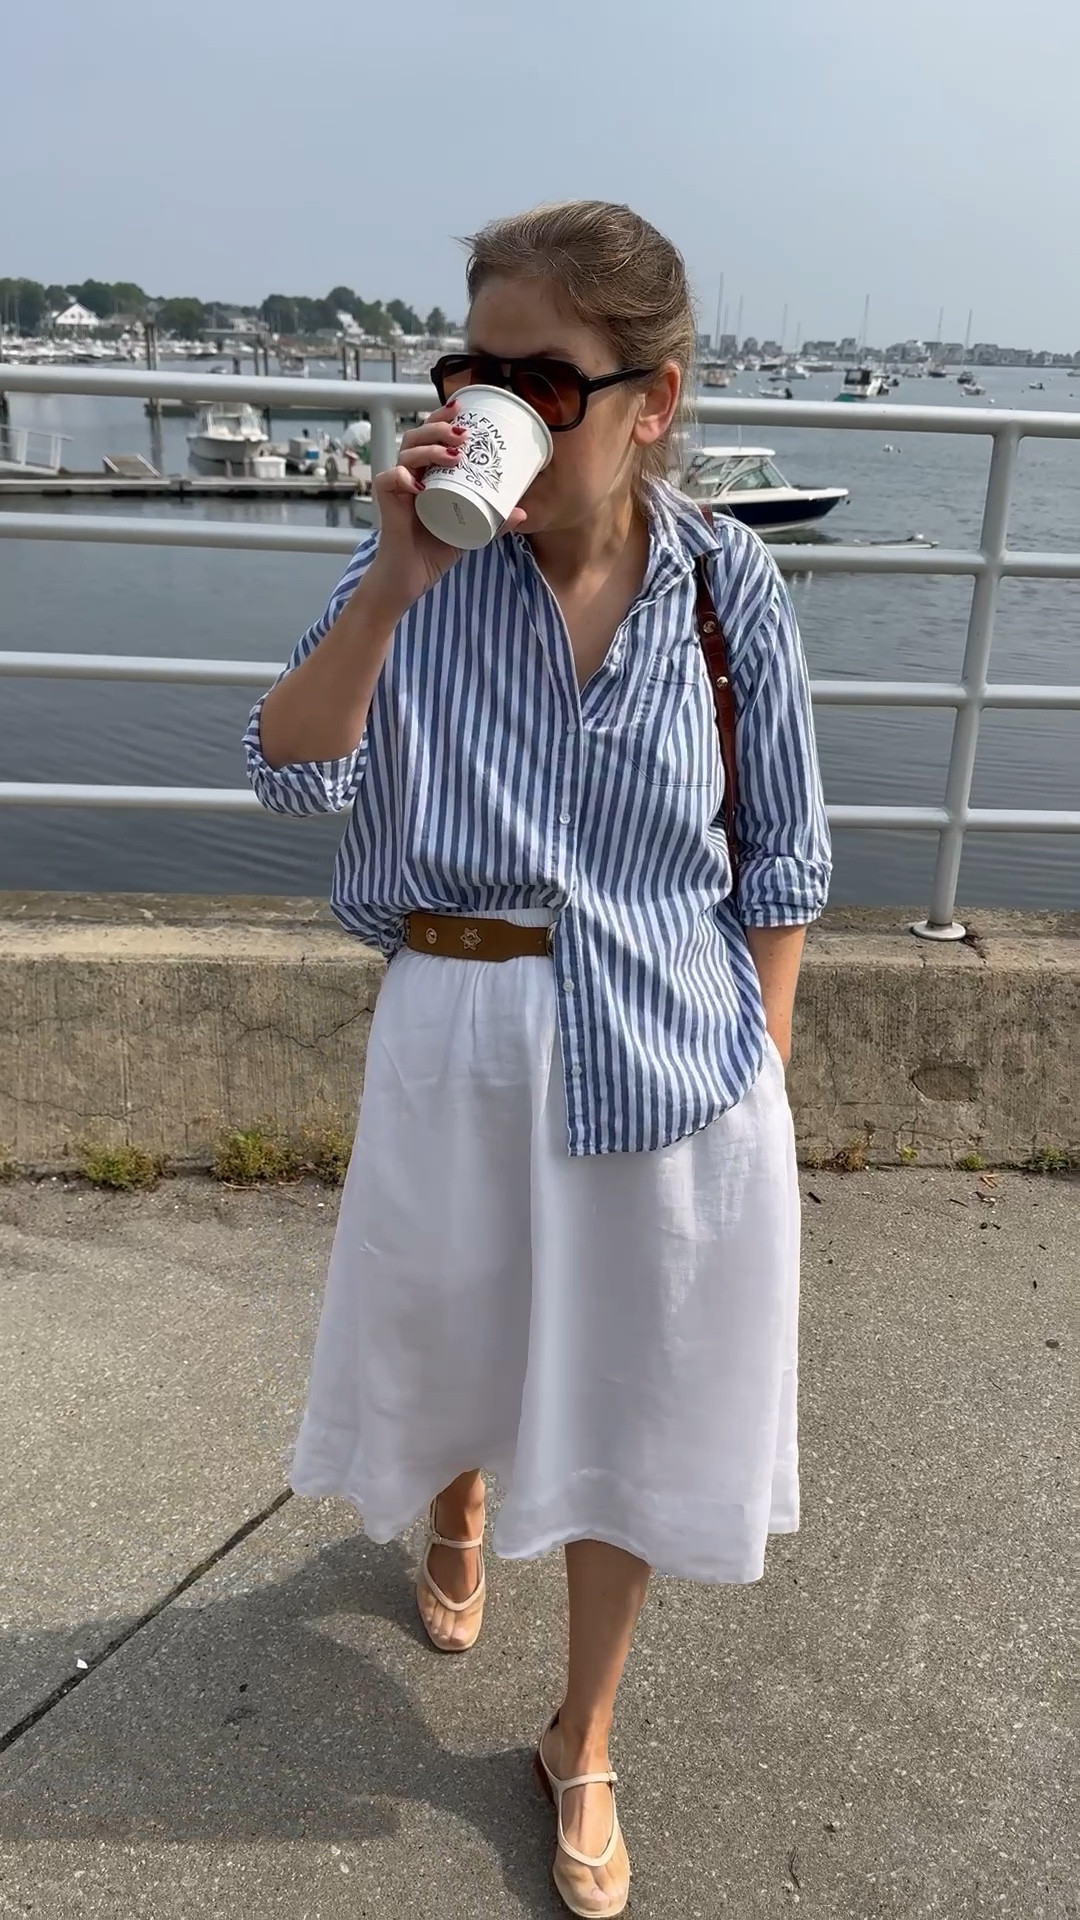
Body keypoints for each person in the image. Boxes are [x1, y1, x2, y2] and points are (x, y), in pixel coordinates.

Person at [244, 199, 831, 1920]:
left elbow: (784, 862)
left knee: (636, 1407)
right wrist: (399, 579)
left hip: (670, 1054)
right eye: (478, 367)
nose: (501, 403)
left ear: (652, 400)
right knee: (449, 1332)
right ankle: (452, 1500)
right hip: (456, 1024)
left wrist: (765, 1075)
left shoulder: (734, 590)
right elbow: (288, 770)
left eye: (548, 380)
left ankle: (581, 1735)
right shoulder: (416, 569)